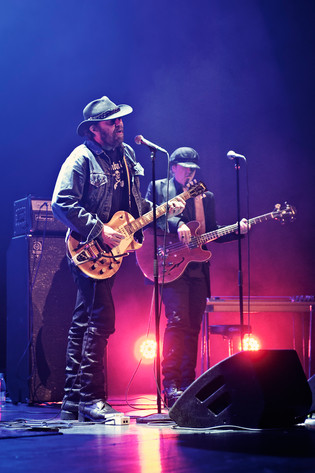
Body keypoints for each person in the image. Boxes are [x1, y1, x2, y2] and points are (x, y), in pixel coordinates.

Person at [51, 96, 185, 421]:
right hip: (88, 248)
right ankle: (91, 400)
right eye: (112, 122)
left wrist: (166, 213)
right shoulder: (81, 158)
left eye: (121, 119)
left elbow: (134, 207)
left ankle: (72, 401)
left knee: (85, 319)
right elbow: (61, 203)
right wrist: (98, 230)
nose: (120, 125)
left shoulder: (126, 156)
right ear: (95, 129)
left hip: (112, 252)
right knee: (100, 318)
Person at [145, 147, 249, 407]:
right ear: (173, 168)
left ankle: (187, 385)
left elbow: (210, 232)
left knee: (193, 326)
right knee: (177, 321)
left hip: (196, 269)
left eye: (193, 168)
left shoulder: (205, 196)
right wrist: (175, 223)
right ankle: (170, 385)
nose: (189, 172)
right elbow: (146, 222)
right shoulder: (157, 189)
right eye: (185, 167)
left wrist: (237, 231)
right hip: (169, 264)